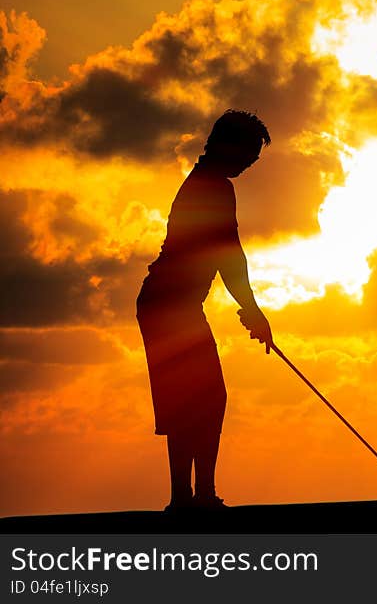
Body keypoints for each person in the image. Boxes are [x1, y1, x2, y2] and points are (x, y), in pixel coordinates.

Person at [136, 109, 273, 512]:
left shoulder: (209, 184)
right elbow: (229, 255)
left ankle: (192, 497)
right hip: (168, 305)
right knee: (202, 399)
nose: (250, 163)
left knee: (200, 399)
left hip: (172, 304)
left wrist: (249, 309)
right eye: (248, 153)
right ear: (224, 144)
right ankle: (193, 498)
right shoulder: (211, 187)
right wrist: (252, 309)